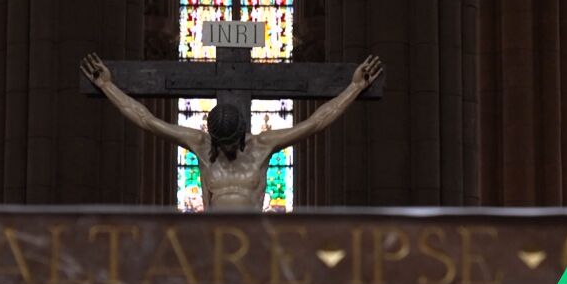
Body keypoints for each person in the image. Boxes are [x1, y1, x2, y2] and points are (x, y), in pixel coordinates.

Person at [81, 53, 383, 210]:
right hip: (212, 238)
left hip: (255, 239)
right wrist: (108, 86)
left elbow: (316, 122)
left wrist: (354, 87)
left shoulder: (263, 146)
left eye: (229, 143)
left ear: (241, 136)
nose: (224, 149)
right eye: (219, 142)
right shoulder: (200, 144)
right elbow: (146, 119)